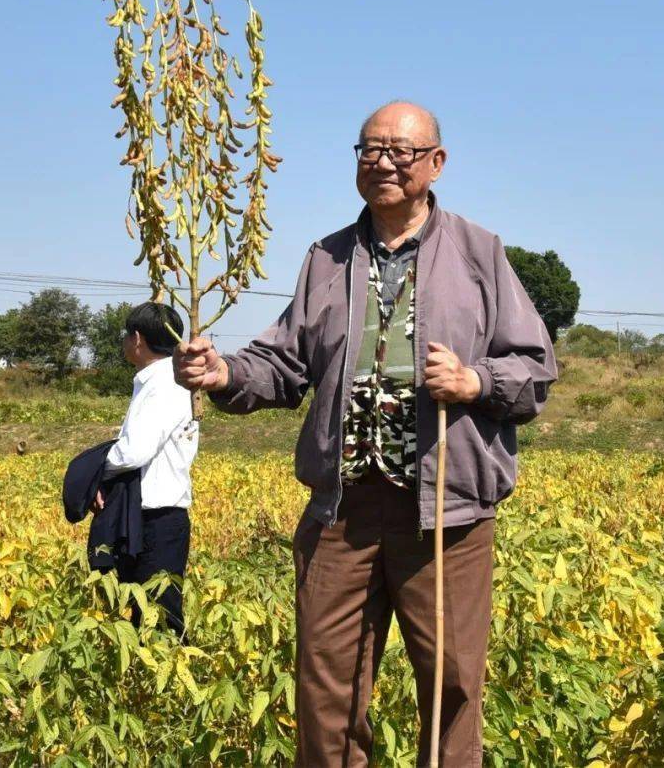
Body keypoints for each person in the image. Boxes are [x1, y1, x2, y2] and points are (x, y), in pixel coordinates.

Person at [174, 101, 557, 766]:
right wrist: (222, 370)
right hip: (341, 512)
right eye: (369, 150)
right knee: (327, 693)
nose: (383, 162)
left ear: (435, 164)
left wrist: (474, 382)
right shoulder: (327, 259)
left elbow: (536, 368)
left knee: (452, 686)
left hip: (445, 514)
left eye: (401, 151)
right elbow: (285, 364)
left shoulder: (478, 252)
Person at [101, 301, 199, 636]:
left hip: (159, 520)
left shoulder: (166, 385)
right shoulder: (156, 382)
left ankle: (174, 686)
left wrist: (96, 468)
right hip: (146, 516)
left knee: (160, 619)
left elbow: (133, 451)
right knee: (142, 614)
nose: (125, 342)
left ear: (137, 338)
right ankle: (148, 687)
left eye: (126, 335)